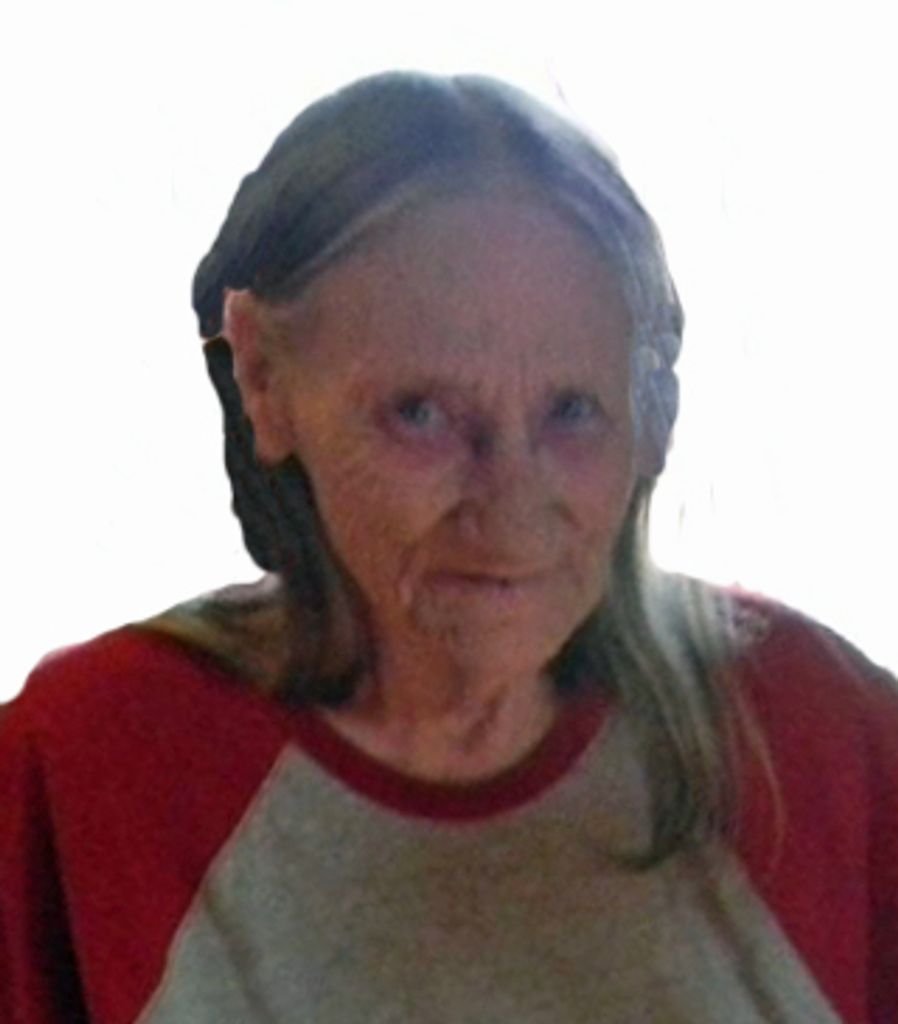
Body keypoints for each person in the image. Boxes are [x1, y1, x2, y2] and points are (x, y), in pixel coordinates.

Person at [1, 70, 896, 1024]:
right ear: (262, 377)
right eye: (420, 413)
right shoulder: (84, 769)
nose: (511, 514)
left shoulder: (820, 738)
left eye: (572, 412)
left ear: (652, 411)